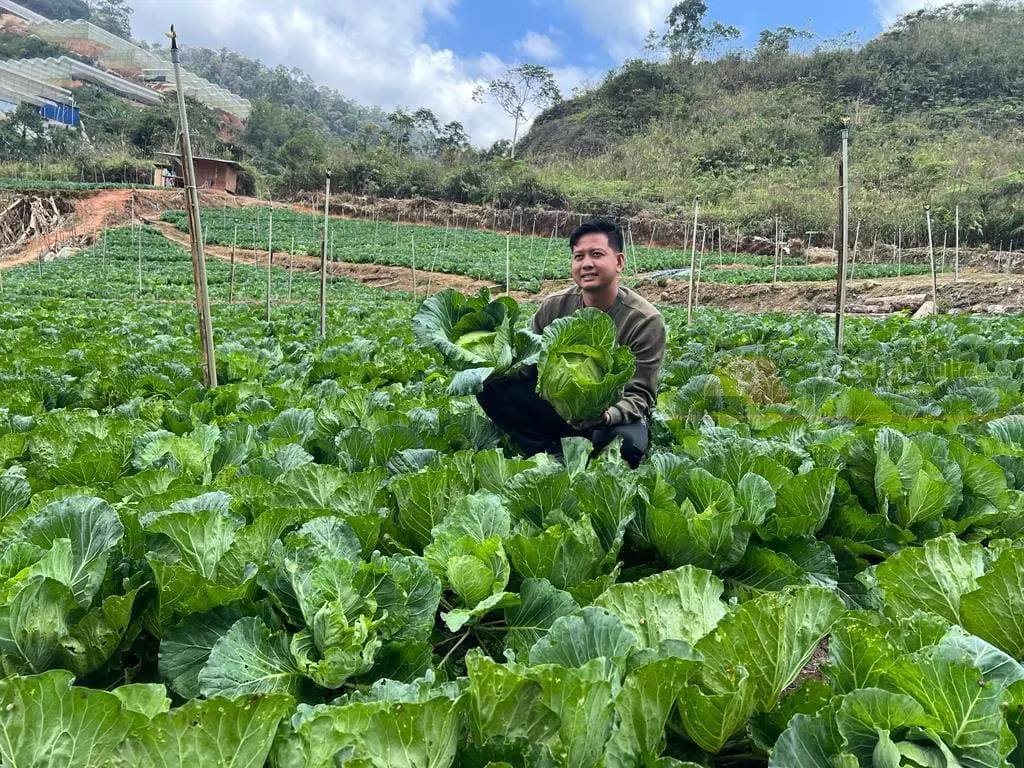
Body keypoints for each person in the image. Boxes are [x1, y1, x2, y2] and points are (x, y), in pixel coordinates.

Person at [477, 217, 666, 468]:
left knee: (629, 447)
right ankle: (547, 451)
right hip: (557, 404)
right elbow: (526, 360)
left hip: (609, 414)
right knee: (487, 387)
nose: (587, 263)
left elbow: (640, 394)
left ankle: (585, 446)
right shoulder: (555, 306)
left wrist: (606, 416)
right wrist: (487, 363)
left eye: (596, 254)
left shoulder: (645, 321)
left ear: (619, 262)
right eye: (579, 257)